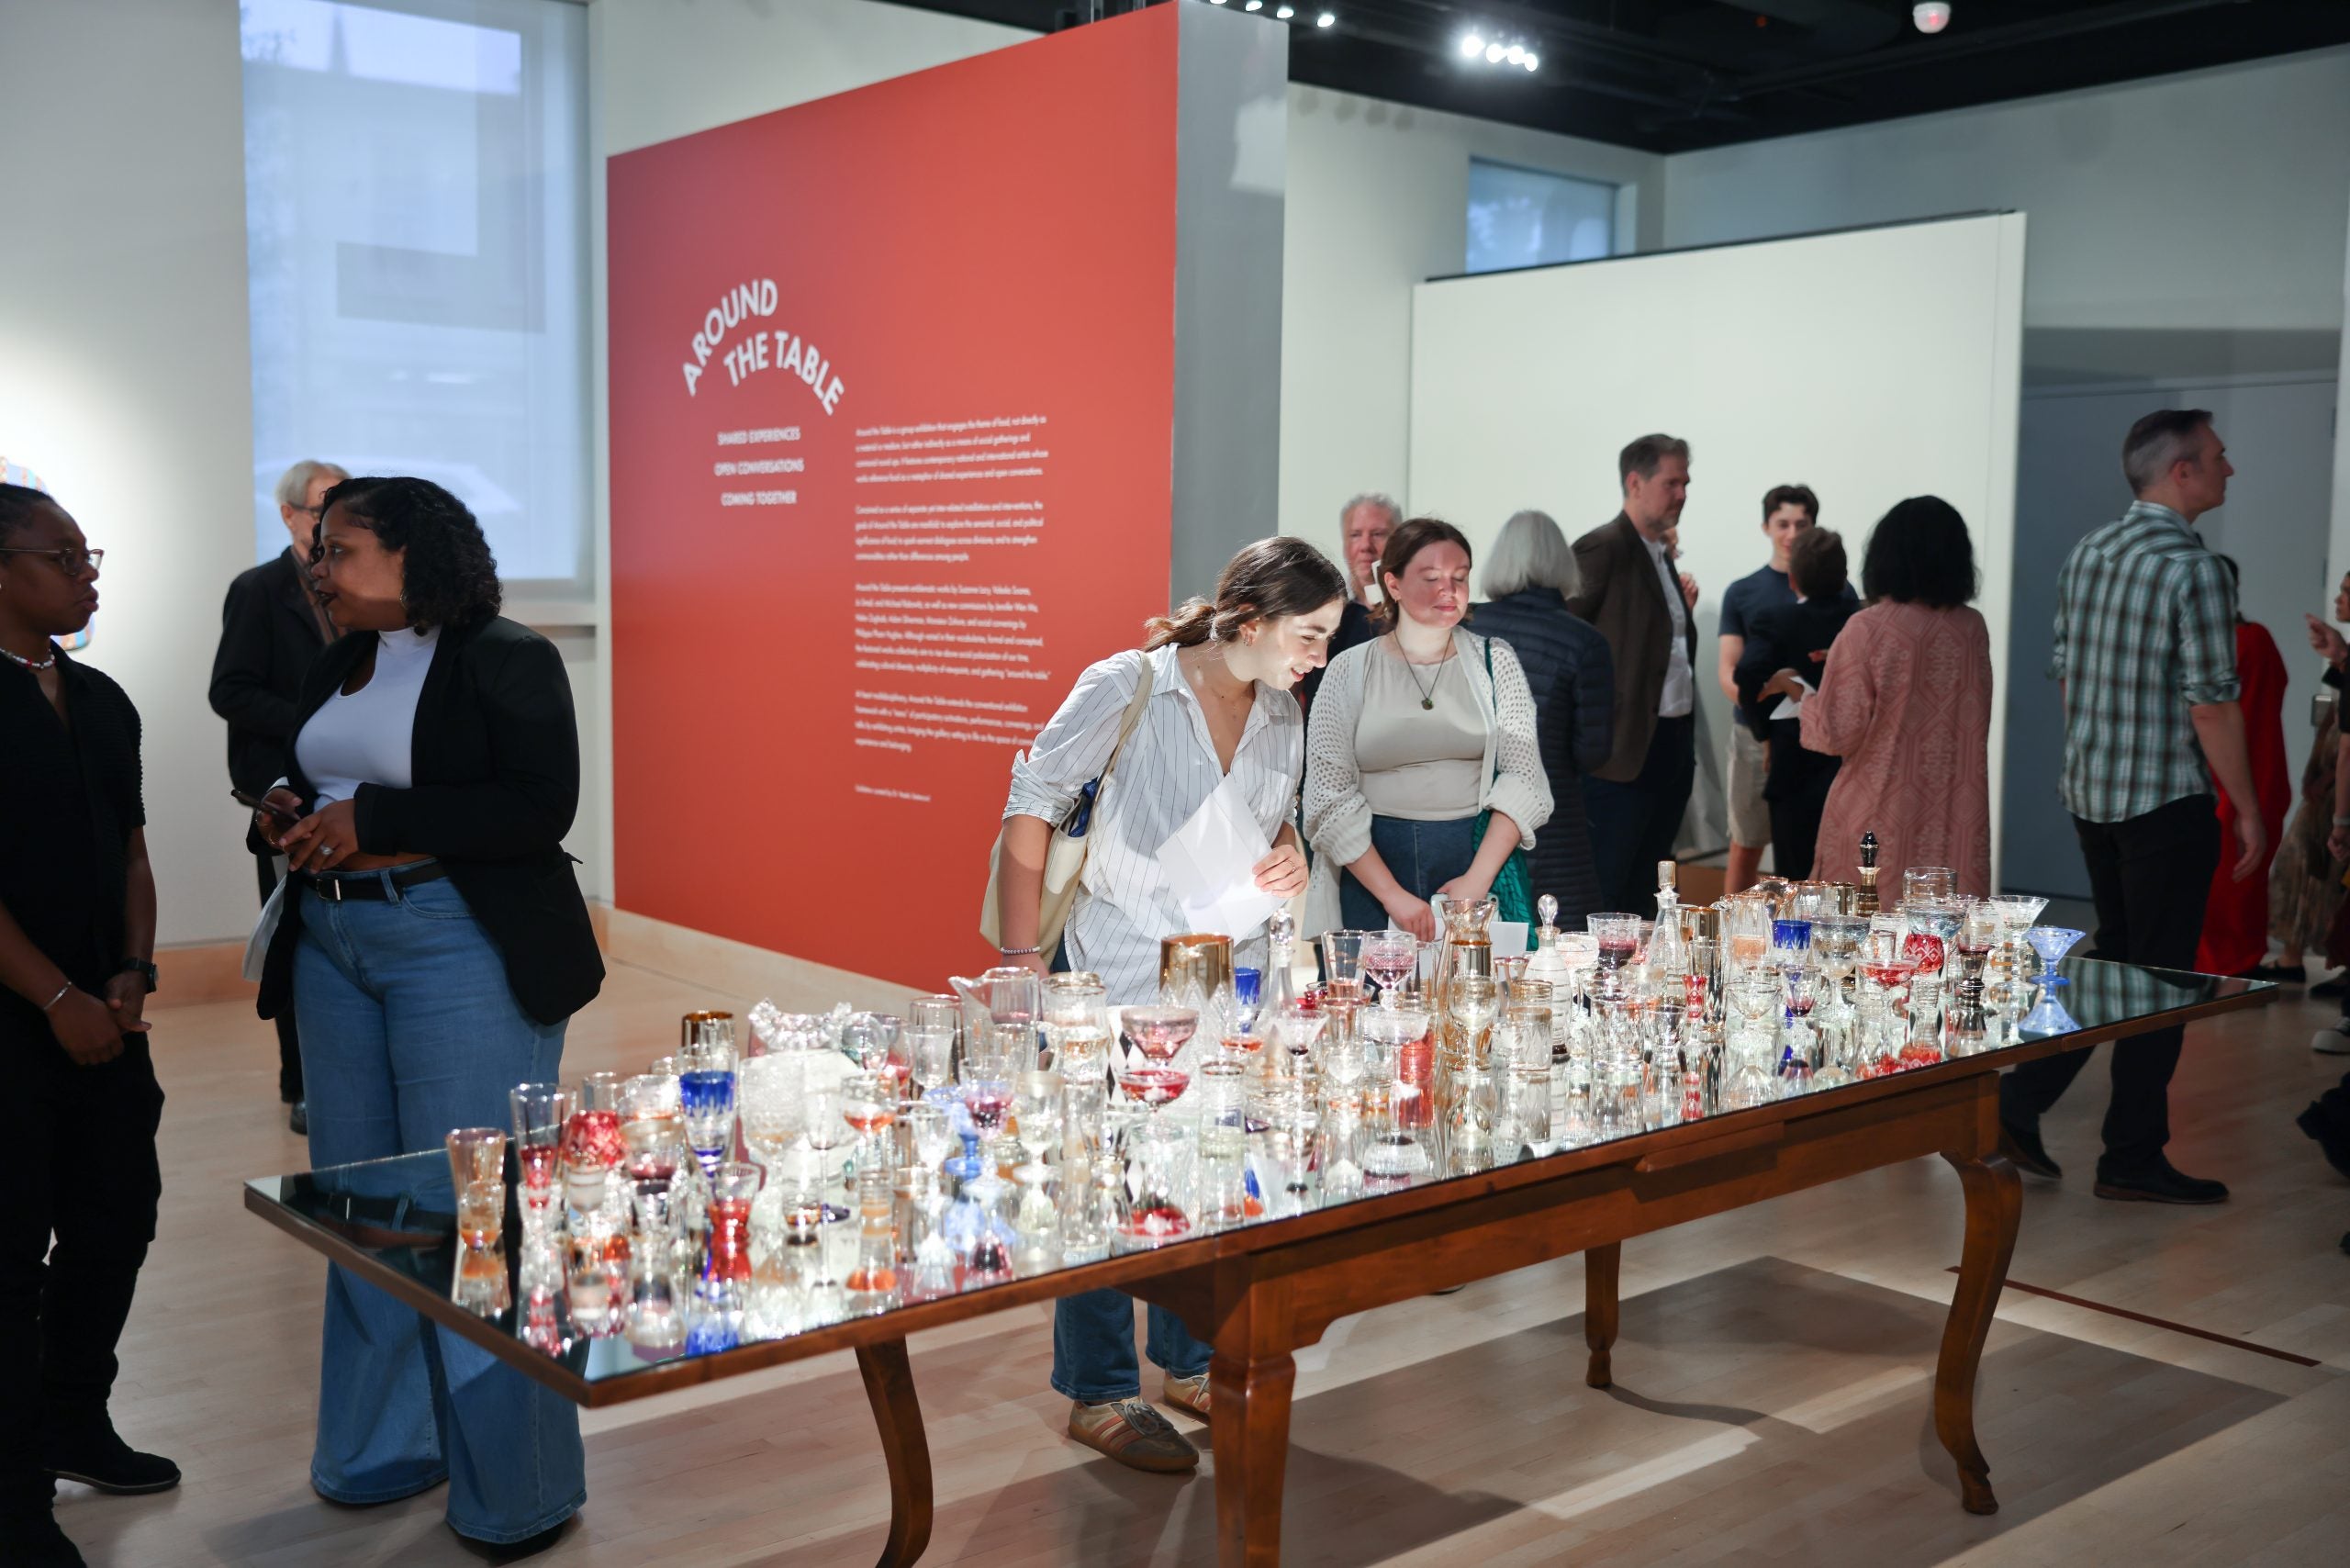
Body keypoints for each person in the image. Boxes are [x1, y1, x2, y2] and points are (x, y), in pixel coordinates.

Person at [252, 476, 603, 1553]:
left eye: (344, 551)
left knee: (476, 1214)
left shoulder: (506, 655)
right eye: (318, 551)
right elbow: (328, 761)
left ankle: (518, 1489)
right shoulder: (344, 653)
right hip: (335, 943)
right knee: (361, 1212)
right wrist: (291, 805)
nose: (322, 571)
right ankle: (377, 1450)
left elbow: (539, 806)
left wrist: (377, 818)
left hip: (457, 939)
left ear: (418, 556)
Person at [995, 536, 1344, 1473]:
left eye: (1325, 640)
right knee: (1102, 1177)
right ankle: (1100, 1391)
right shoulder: (1128, 685)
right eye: (1307, 637)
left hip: (1225, 976)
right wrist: (1021, 953)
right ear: (1251, 620)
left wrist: (1291, 852)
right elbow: (1032, 798)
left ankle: (1188, 1359)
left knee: (1200, 1160)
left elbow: (1273, 817)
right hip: (1112, 970)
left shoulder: (1284, 712)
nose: (1315, 657)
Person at [2000, 409, 2260, 1207]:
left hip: (2096, 797)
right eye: (2219, 457)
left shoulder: (2091, 551)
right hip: (2163, 801)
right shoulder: (2196, 570)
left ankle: (2019, 1099)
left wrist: (2094, 758)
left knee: (2119, 959)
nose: (2230, 469)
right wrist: (2247, 807)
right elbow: (2212, 704)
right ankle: (2130, 1154)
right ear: (2180, 472)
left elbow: (2069, 676)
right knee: (2162, 980)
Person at [0, 485, 173, 1568]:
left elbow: (132, 853)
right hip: (16, 1026)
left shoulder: (103, 697)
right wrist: (53, 998)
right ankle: (15, 1500)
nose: (87, 573)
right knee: (12, 1256)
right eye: (63, 556)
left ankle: (75, 1416)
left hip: (107, 1017)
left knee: (119, 1218)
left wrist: (129, 973)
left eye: (87, 552)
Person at [1306, 518, 1551, 941]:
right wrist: (1392, 896)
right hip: (1371, 866)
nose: (1449, 590)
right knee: (1376, 1000)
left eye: (1460, 578)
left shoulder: (1497, 662)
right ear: (1394, 585)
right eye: (1432, 577)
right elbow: (1327, 796)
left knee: (1471, 1001)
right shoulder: (1348, 668)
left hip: (1472, 858)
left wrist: (1477, 881)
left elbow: (1524, 780)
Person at [210, 457, 345, 1134]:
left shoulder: (362, 585)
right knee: (295, 938)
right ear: (290, 514)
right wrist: (314, 722)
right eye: (322, 505)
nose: (332, 517)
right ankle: (300, 1083)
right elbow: (228, 692)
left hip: (352, 792)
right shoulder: (259, 589)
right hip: (285, 795)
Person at [1804, 498, 1992, 895]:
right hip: (1953, 818)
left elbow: (1836, 733)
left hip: (1877, 814)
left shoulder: (1867, 628)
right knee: (1942, 943)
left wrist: (1804, 699)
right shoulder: (1971, 629)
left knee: (1862, 942)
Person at [1570, 435, 1699, 913]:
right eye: (1672, 483)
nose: (1682, 493)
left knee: (1651, 882)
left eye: (1686, 482)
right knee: (1610, 880)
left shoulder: (1660, 554)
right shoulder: (1603, 547)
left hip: (1668, 743)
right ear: (1635, 482)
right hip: (1620, 750)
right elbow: (1567, 636)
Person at [1470, 510, 1614, 927]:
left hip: (1473, 822)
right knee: (1559, 955)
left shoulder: (1466, 628)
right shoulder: (1585, 642)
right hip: (1556, 829)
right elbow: (1593, 752)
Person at [1718, 485, 1857, 891]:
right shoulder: (1744, 592)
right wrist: (1762, 722)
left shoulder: (1846, 601)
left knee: (1813, 852)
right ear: (1767, 527)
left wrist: (1790, 695)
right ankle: (1735, 934)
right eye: (1783, 523)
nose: (1791, 532)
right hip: (1759, 735)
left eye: (1801, 524)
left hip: (1819, 742)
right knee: (1748, 842)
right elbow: (1732, 671)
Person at [2192, 557, 2289, 977]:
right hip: (2249, 773)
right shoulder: (2251, 639)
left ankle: (2221, 962)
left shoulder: (2229, 642)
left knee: (2225, 875)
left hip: (2223, 774)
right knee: (2233, 876)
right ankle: (2231, 961)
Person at [2274, 572, 2350, 991]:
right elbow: (2335, 718)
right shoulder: (2346, 665)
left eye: (2346, 593)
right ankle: (2291, 956)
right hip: (2330, 784)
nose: (2338, 600)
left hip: (2340, 790)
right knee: (2301, 862)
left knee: (2326, 872)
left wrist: (2340, 811)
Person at [1298, 492, 1397, 710]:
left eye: (1378, 534)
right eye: (1355, 535)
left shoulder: (1414, 620)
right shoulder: (1324, 619)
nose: (1365, 546)